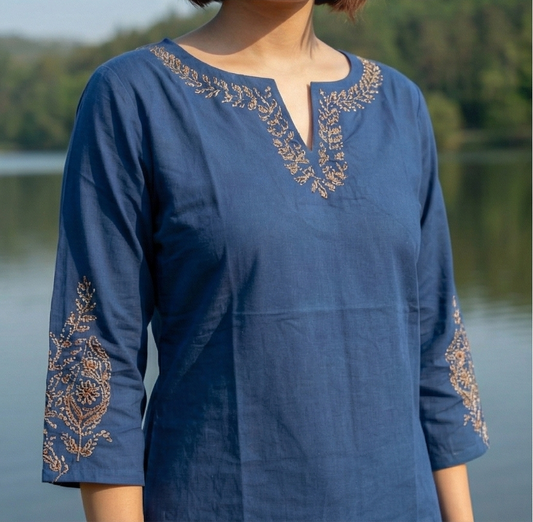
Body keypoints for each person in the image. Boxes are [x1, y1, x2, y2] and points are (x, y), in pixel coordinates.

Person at [42, 0, 489, 520]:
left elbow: (436, 343)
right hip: (216, 502)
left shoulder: (399, 103)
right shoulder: (133, 95)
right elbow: (98, 354)